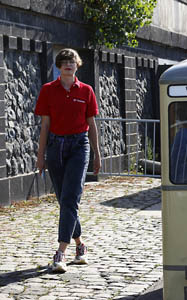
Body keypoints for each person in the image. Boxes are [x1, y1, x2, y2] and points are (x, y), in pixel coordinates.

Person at [35, 48, 101, 273]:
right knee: (65, 201)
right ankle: (80, 245)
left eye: (71, 61)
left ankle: (60, 253)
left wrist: (96, 153)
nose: (68, 64)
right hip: (55, 147)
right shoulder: (48, 90)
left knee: (71, 197)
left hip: (78, 147)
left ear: (77, 65)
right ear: (58, 66)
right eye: (63, 61)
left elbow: (91, 124)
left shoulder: (86, 91)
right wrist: (40, 155)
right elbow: (45, 125)